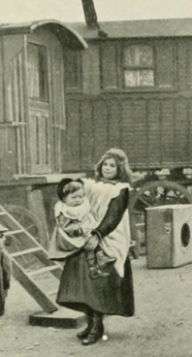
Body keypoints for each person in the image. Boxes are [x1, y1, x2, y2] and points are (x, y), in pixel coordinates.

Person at [56, 148, 135, 346]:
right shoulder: (91, 185)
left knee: (98, 279)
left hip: (109, 235)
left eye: (112, 166)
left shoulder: (121, 188)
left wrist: (98, 234)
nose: (108, 168)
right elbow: (71, 191)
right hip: (88, 232)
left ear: (120, 169)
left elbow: (114, 215)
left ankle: (98, 326)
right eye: (105, 165)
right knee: (82, 278)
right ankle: (91, 322)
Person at [50, 179, 116, 278]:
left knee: (96, 238)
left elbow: (87, 216)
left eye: (80, 197)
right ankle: (94, 266)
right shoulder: (64, 211)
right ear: (64, 199)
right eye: (74, 197)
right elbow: (64, 227)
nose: (78, 200)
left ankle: (98, 261)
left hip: (85, 229)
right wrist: (77, 229)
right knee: (89, 247)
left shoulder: (81, 205)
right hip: (73, 236)